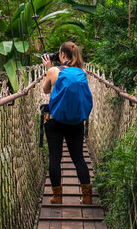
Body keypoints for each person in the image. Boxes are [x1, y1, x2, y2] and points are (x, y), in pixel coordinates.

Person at [41, 41, 93, 204]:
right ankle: (87, 196)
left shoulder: (53, 71)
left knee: (54, 158)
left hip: (54, 120)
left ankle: (57, 196)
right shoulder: (82, 72)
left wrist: (48, 68)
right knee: (78, 158)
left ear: (62, 54)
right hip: (75, 121)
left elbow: (46, 90)